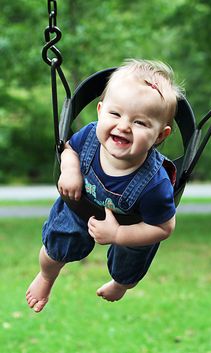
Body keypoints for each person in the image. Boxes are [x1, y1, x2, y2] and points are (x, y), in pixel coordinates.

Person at [26, 59, 183, 312]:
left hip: (131, 224)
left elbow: (164, 227)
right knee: (55, 247)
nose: (123, 126)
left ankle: (120, 283)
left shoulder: (155, 183)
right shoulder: (89, 136)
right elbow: (69, 150)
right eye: (115, 113)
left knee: (131, 262)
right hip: (80, 205)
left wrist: (118, 235)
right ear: (100, 111)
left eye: (140, 122)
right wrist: (70, 170)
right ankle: (46, 277)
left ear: (160, 135)